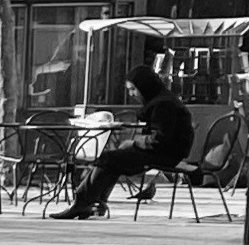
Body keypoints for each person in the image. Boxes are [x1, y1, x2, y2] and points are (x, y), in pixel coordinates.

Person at [55, 57, 191, 219]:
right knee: (113, 159)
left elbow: (160, 139)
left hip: (165, 155)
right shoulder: (163, 100)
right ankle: (94, 202)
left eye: (133, 89)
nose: (131, 94)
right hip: (167, 152)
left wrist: (134, 143)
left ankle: (82, 203)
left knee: (109, 158)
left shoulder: (163, 105)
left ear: (145, 87)